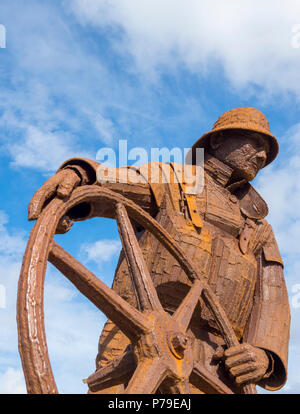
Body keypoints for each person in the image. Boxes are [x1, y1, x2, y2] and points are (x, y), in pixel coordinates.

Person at [28, 107, 290, 393]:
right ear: (217, 141)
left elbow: (272, 300)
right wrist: (80, 175)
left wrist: (265, 357)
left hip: (218, 367)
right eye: (255, 143)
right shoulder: (172, 179)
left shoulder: (258, 227)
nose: (262, 156)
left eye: (267, 150)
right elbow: (117, 183)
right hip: (141, 337)